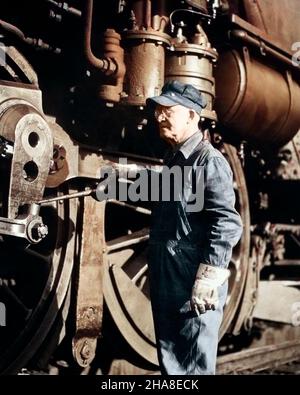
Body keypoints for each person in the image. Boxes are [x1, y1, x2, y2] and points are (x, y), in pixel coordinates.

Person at [146, 80, 243, 375]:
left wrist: (208, 277)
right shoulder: (174, 161)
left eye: (168, 110)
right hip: (169, 278)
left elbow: (226, 222)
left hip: (192, 282)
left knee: (192, 367)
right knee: (173, 363)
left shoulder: (208, 161)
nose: (159, 116)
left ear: (192, 116)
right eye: (158, 110)